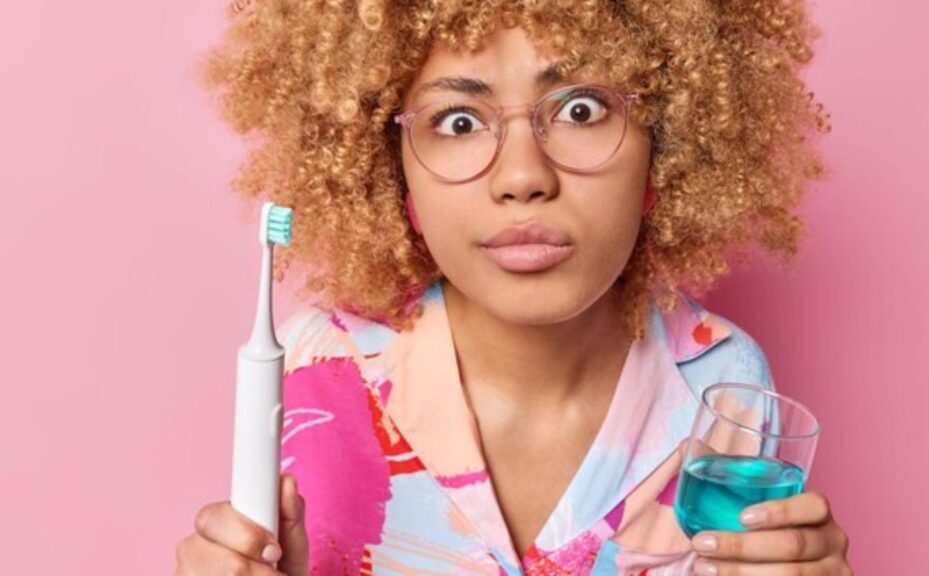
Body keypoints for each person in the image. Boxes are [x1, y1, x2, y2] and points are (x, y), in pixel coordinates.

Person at [176, 1, 850, 574]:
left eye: (581, 109)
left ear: (666, 145)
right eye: (459, 122)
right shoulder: (315, 367)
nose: (522, 176)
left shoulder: (722, 382)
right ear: (392, 171)